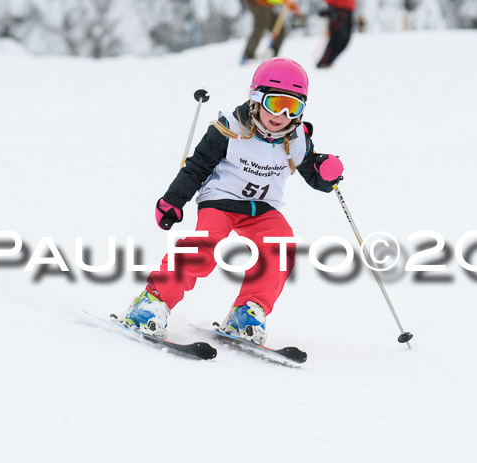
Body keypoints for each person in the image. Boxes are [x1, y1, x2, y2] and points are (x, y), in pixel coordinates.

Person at [116, 58, 344, 346]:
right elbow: (196, 168)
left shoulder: (297, 140)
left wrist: (327, 173)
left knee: (280, 246)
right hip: (220, 202)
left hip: (263, 208)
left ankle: (247, 312)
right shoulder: (229, 129)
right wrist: (173, 201)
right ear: (256, 99)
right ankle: (152, 302)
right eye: (275, 104)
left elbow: (316, 177)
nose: (282, 115)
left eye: (293, 107)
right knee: (205, 246)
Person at [317, 0, 356, 68]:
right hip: (338, 11)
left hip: (349, 11)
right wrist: (330, 8)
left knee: (345, 40)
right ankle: (324, 62)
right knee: (336, 39)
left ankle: (328, 61)